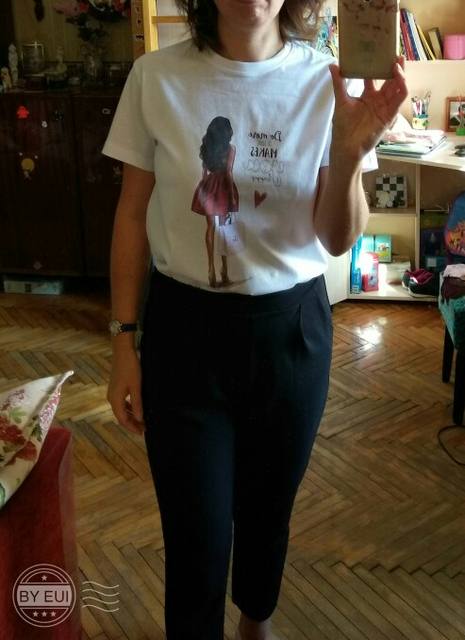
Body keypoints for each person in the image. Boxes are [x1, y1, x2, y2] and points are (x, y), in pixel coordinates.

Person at [103, 1, 408, 638]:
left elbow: (336, 239)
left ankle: (256, 618)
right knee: (196, 530)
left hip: (291, 333)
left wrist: (349, 157)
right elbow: (131, 214)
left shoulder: (327, 81)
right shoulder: (155, 77)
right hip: (184, 334)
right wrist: (123, 339)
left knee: (269, 509)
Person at [191, 116, 240, 287]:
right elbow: (229, 172)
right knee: (224, 230)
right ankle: (224, 271)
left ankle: (210, 268)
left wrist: (204, 189)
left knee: (210, 227)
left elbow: (204, 173)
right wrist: (232, 196)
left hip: (209, 186)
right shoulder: (230, 148)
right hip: (224, 188)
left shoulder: (208, 147)